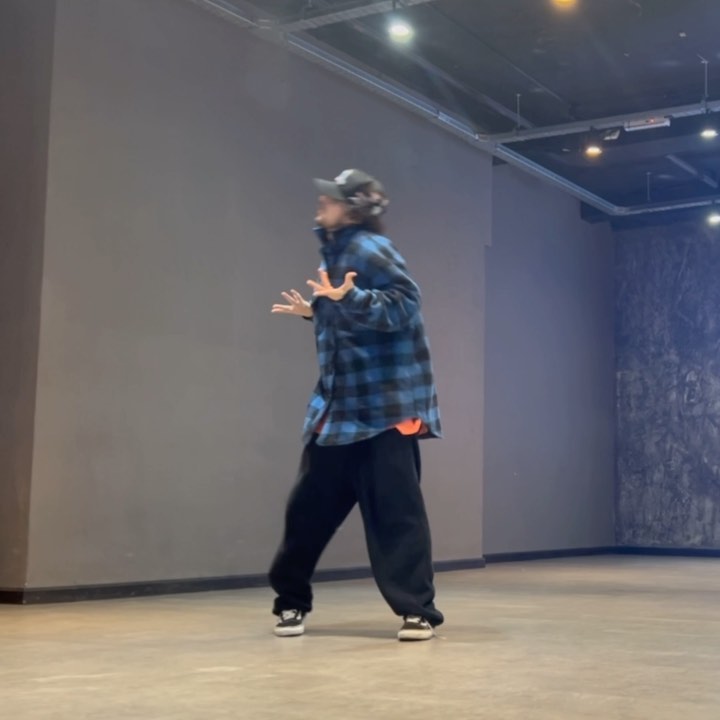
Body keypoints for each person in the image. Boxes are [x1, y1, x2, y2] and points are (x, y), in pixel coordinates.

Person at [269, 169, 443, 641]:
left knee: (396, 517)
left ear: (354, 209)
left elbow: (405, 303)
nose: (321, 203)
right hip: (339, 412)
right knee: (306, 514)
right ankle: (290, 602)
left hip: (384, 412)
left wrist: (353, 296)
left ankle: (417, 610)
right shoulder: (337, 253)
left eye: (331, 199)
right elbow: (353, 319)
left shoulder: (369, 247)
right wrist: (316, 311)